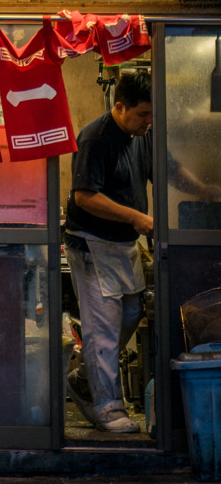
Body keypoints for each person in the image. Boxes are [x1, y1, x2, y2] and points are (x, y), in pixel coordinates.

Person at [64, 71, 221, 433]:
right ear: (119, 107)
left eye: (152, 115)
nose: (149, 122)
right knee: (103, 328)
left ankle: (86, 375)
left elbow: (169, 170)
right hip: (92, 245)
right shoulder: (95, 137)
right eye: (142, 115)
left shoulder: (143, 135)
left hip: (123, 244)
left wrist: (205, 190)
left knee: (131, 312)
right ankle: (106, 406)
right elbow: (84, 196)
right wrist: (139, 218)